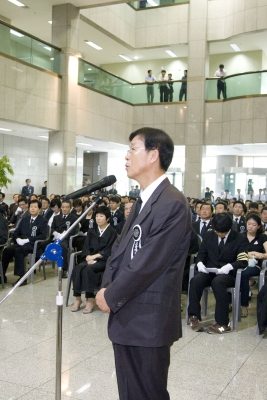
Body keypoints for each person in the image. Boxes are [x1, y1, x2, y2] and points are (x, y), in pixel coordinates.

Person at [96, 127, 191, 400]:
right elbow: (119, 251)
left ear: (153, 155)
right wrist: (106, 290)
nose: (127, 156)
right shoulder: (142, 201)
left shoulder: (172, 203)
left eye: (133, 149)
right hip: (128, 316)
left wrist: (111, 295)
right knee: (130, 392)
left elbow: (149, 264)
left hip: (147, 321)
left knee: (147, 394)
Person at [187, 212, 248, 334]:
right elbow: (201, 255)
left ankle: (222, 323)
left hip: (227, 274)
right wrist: (200, 264)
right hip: (210, 270)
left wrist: (230, 266)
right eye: (217, 232)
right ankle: (193, 316)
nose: (220, 234)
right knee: (196, 280)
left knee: (218, 283)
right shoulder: (209, 235)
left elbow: (243, 261)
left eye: (223, 233)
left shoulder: (240, 238)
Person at [71, 206, 118, 314]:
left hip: (103, 260)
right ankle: (78, 299)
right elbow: (86, 246)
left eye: (101, 216)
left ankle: (90, 300)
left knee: (88, 270)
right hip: (90, 259)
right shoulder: (92, 231)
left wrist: (95, 257)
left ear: (107, 218)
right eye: (97, 216)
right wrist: (87, 257)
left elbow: (109, 250)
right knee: (77, 269)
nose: (98, 218)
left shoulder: (112, 232)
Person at [0, 199, 47, 286]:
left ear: (39, 209)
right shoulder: (25, 219)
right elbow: (16, 232)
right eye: (31, 207)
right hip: (21, 243)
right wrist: (17, 239)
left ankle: (22, 278)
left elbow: (43, 236)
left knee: (19, 251)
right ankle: (2, 275)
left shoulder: (42, 220)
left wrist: (28, 240)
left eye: (35, 207)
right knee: (7, 250)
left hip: (33, 245)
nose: (33, 209)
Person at [239, 213, 267, 317]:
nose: (250, 227)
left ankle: (244, 305)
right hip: (241, 263)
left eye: (253, 225)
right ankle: (230, 301)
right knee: (233, 271)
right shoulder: (240, 236)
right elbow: (235, 252)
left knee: (244, 274)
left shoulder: (262, 237)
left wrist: (258, 255)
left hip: (255, 266)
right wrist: (249, 254)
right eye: (249, 224)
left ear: (258, 226)